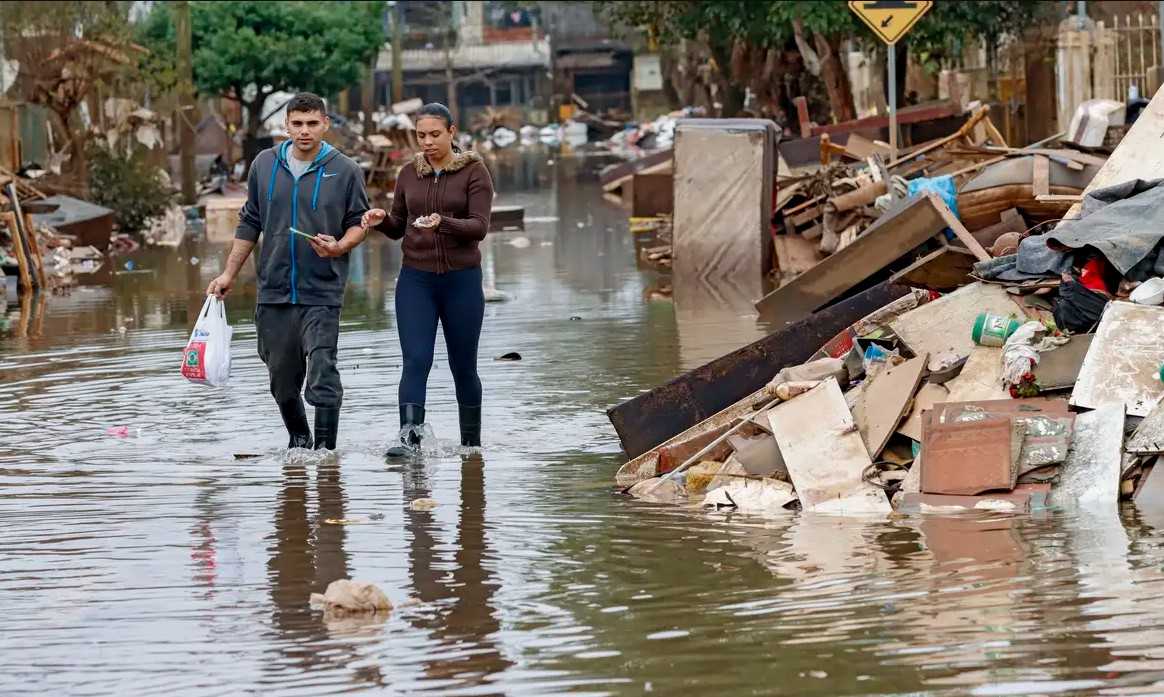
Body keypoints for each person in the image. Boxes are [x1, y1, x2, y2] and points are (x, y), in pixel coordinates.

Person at [207, 92, 370, 451]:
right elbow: (250, 222)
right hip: (274, 291)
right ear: (286, 126)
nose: (305, 131)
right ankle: (299, 441)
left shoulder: (346, 170)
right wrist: (228, 275)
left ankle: (326, 455)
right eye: (297, 124)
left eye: (313, 123)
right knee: (281, 381)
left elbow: (359, 222)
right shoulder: (264, 165)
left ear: (325, 124)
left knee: (323, 370)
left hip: (322, 291)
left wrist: (341, 246)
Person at [361, 102, 494, 457]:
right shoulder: (408, 174)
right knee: (415, 359)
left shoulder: (474, 173)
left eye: (435, 134)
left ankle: (471, 445)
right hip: (416, 281)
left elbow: (479, 227)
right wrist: (381, 219)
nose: (428, 142)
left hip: (461, 281)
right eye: (421, 135)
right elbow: (398, 226)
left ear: (453, 131)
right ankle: (409, 438)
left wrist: (443, 223)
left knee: (463, 366)